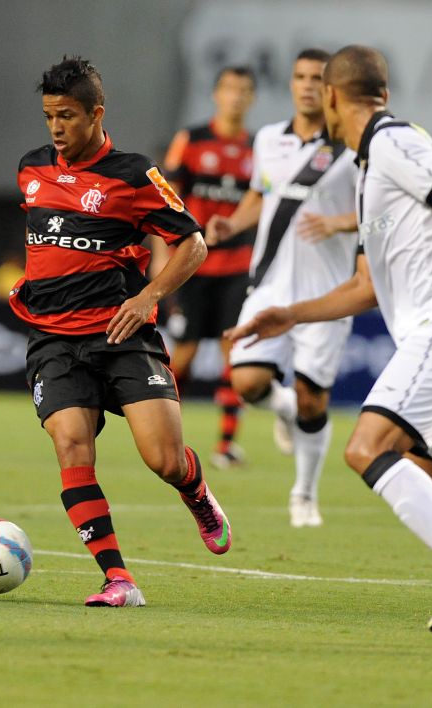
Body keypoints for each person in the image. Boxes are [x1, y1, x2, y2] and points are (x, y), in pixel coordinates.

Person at [226, 45, 432, 650]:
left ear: (330, 95)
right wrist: (287, 315)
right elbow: (364, 287)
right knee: (429, 477)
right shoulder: (365, 168)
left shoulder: (391, 140)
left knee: (365, 447)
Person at [9, 56, 232, 608]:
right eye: (48, 116)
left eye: (67, 115)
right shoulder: (32, 169)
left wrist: (148, 295)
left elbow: (193, 243)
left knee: (163, 458)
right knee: (70, 444)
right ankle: (118, 579)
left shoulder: (134, 175)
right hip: (54, 338)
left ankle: (197, 492)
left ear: (96, 113)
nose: (57, 128)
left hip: (120, 334)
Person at [207, 49, 359, 528]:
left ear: (332, 87)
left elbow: (384, 210)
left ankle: (304, 494)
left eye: (318, 78)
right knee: (246, 380)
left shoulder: (354, 146)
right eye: (300, 77)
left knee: (315, 399)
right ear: (291, 84)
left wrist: (339, 223)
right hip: (270, 281)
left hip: (327, 291)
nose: (308, 85)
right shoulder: (270, 139)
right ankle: (284, 407)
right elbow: (261, 193)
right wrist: (232, 226)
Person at [152, 65, 257, 470]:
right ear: (216, 94)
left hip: (238, 265)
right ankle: (162, 435)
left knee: (236, 352)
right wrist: (162, 256)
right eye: (230, 89)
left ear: (252, 98)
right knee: (187, 356)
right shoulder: (191, 141)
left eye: (244, 90)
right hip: (193, 263)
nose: (237, 97)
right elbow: (167, 200)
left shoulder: (257, 148)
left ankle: (225, 446)